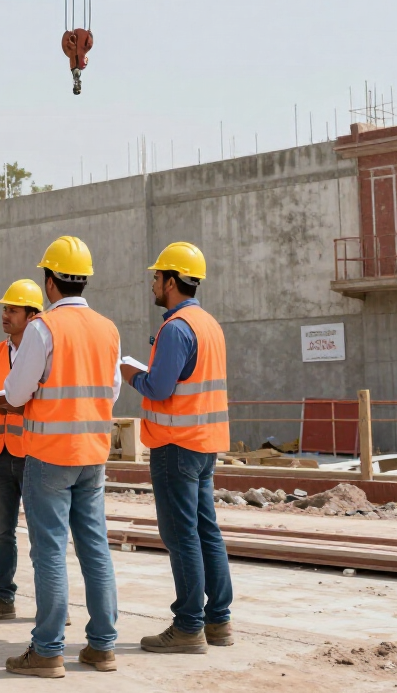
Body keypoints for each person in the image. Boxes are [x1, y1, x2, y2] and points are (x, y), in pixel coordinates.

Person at [0, 235, 122, 677]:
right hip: (93, 454)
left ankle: (47, 650)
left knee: (49, 551)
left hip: (49, 455)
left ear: (49, 282)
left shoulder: (44, 328)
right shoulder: (108, 329)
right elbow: (113, 392)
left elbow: (17, 391)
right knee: (95, 548)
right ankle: (102, 646)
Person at [120, 241, 233, 655]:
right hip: (205, 444)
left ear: (171, 281)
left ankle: (188, 626)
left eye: (156, 277)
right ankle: (218, 620)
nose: (152, 283)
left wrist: (132, 373)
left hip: (175, 445)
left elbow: (160, 388)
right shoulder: (209, 325)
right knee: (206, 530)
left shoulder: (175, 328)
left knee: (181, 535)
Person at [0, 279, 43, 623]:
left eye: (12, 310)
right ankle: (3, 598)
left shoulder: (43, 349)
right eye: (5, 308)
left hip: (32, 453)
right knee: (1, 533)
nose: (5, 315)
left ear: (32, 316)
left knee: (43, 534)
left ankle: (51, 601)